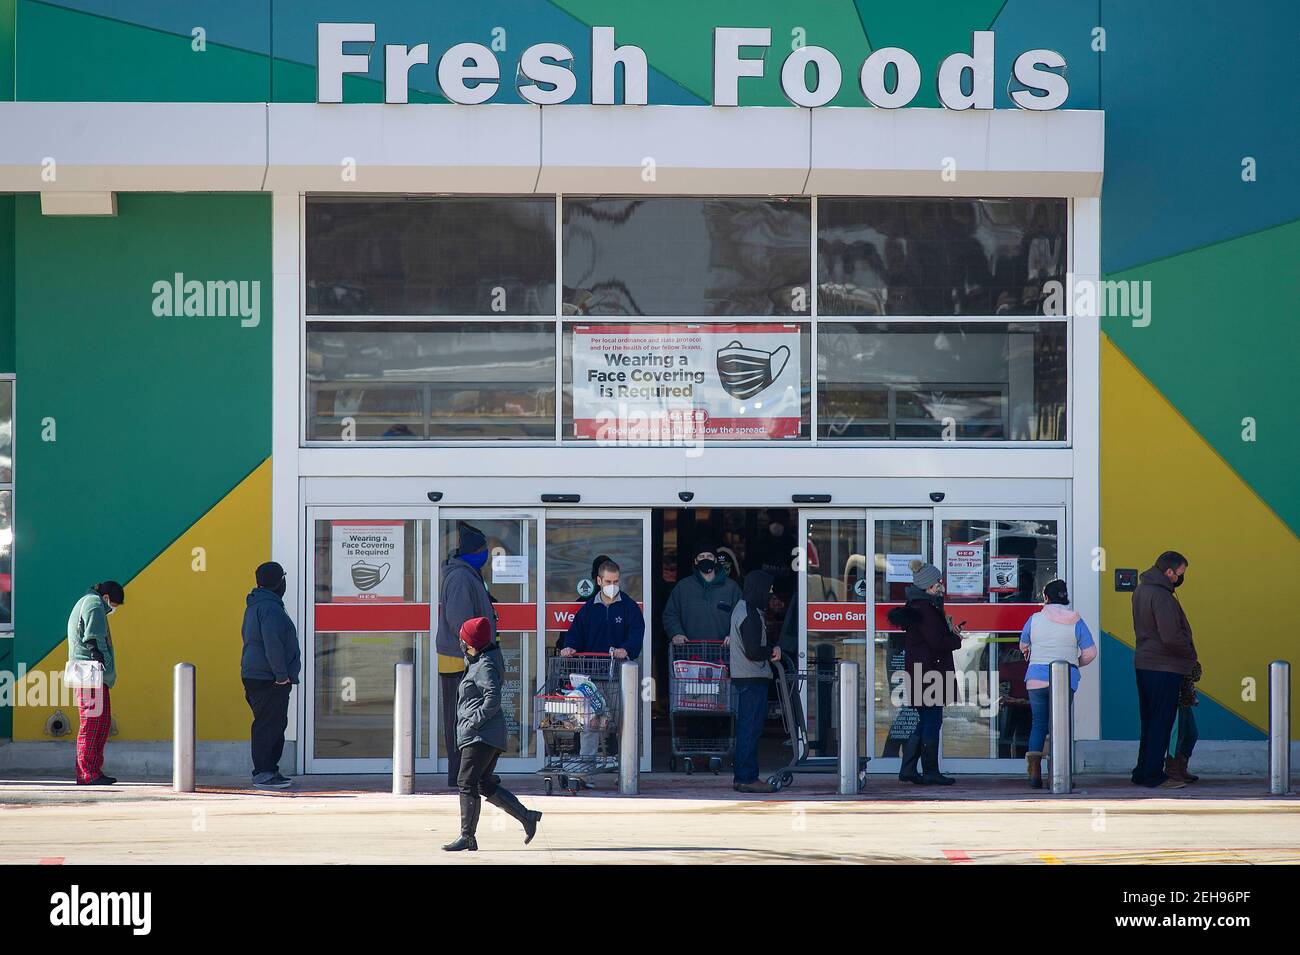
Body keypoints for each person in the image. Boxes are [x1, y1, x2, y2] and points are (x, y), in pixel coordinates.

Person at [443, 617, 542, 852]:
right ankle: (527, 817)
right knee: (483, 784)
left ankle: (467, 836)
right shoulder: (479, 661)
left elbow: (493, 699)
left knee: (465, 782)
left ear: (471, 643)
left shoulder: (484, 665)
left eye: (463, 639)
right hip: (486, 735)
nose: (461, 642)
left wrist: (473, 722)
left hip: (481, 736)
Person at [886, 561, 961, 785]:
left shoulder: (919, 606)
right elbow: (937, 642)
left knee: (924, 720)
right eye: (938, 581)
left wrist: (949, 633)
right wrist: (955, 639)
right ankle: (930, 771)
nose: (941, 585)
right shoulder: (927, 610)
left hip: (922, 672)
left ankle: (908, 769)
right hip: (930, 673)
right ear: (928, 585)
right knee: (932, 721)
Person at [1017, 579, 1097, 789]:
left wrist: (1032, 655)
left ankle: (1034, 772)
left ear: (1046, 597)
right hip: (1065, 679)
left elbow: (1023, 645)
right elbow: (1090, 653)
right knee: (1060, 727)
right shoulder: (1076, 620)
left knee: (1039, 724)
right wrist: (1073, 664)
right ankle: (1059, 773)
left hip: (1036, 679)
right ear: (1065, 596)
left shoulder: (1034, 619)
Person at [437, 522, 497, 789]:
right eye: (484, 549)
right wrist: (475, 649)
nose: (486, 554)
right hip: (459, 659)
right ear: (474, 551)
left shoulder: (468, 573)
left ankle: (466, 773)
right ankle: (459, 775)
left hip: (464, 657)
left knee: (467, 716)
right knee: (459, 718)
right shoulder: (462, 577)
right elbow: (459, 619)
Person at [1131, 551, 1195, 789]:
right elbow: (1170, 636)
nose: (1180, 578)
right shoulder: (1162, 596)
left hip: (1145, 663)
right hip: (1165, 665)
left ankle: (1142, 770)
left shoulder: (1141, 590)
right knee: (1162, 722)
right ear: (1168, 572)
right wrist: (1190, 654)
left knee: (1149, 721)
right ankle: (1153, 775)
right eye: (1179, 573)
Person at [240, 561, 301, 790]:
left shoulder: (256, 604)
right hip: (269, 677)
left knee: (269, 723)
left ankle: (269, 770)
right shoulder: (270, 607)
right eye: (282, 578)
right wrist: (281, 675)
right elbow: (272, 644)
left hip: (257, 674)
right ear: (278, 582)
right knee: (270, 725)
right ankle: (264, 773)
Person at [727, 570, 781, 793]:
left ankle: (743, 776)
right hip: (751, 677)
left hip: (744, 677)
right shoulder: (750, 613)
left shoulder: (743, 608)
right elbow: (753, 650)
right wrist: (772, 651)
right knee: (750, 729)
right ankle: (748, 777)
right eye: (768, 589)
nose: (770, 593)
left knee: (746, 728)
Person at [67, 581, 124, 786]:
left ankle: (93, 770)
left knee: (101, 722)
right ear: (107, 597)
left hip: (92, 674)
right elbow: (93, 637)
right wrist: (101, 660)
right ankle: (87, 773)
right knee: (92, 724)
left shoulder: (88, 602)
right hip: (90, 673)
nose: (113, 608)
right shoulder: (94, 603)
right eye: (114, 604)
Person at [561, 559, 644, 660]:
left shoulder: (630, 607)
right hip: (592, 669)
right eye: (608, 582)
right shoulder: (588, 608)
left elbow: (636, 634)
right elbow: (575, 633)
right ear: (599, 581)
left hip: (619, 668)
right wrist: (569, 647)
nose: (612, 586)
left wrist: (626, 649)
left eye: (616, 582)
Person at [665, 545, 742, 646]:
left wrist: (734, 635)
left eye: (709, 556)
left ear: (715, 560)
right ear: (696, 561)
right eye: (701, 557)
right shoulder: (683, 587)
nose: (706, 559)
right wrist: (676, 633)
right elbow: (670, 614)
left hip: (723, 653)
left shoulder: (731, 587)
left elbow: (742, 616)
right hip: (690, 653)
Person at [1167, 661, 1201, 783]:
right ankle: (1172, 769)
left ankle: (1182, 767)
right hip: (1175, 699)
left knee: (1191, 734)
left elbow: (1197, 675)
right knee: (1177, 735)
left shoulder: (1187, 653)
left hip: (1186, 700)